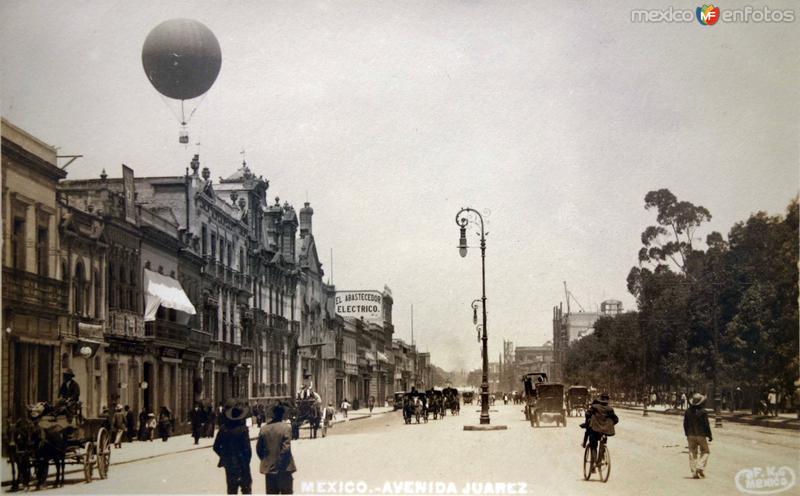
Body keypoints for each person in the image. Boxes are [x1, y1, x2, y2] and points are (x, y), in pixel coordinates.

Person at [257, 404, 296, 494]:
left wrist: (267, 460)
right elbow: (286, 449)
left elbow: (259, 449)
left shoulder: (264, 429)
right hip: (284, 469)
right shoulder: (286, 428)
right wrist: (279, 463)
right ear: (282, 415)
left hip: (269, 470)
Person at [214, 403, 253, 494]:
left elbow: (216, 447)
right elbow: (248, 450)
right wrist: (245, 462)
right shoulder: (243, 430)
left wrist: (224, 456)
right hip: (242, 465)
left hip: (229, 465)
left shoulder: (223, 429)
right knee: (246, 490)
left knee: (231, 490)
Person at [580, 393, 619, 472]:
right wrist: (609, 424)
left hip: (595, 430)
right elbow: (616, 419)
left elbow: (587, 413)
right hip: (605, 431)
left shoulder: (594, 407)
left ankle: (594, 464)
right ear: (607, 400)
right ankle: (600, 461)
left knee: (593, 446)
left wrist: (588, 421)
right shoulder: (610, 409)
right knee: (603, 443)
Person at [684, 393, 712, 479]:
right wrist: (709, 435)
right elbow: (706, 425)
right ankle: (700, 467)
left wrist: (687, 433)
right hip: (701, 434)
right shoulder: (703, 412)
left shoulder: (688, 411)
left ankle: (694, 473)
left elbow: (685, 424)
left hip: (690, 434)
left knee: (692, 452)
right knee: (706, 451)